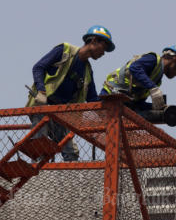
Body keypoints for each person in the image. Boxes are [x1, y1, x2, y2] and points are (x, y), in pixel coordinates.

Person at [26, 25, 114, 161]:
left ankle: (66, 178)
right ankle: (37, 175)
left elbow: (92, 99)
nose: (104, 53)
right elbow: (38, 67)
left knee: (71, 152)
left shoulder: (87, 72)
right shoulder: (64, 50)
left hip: (61, 115)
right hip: (42, 106)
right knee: (40, 145)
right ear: (94, 40)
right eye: (104, 47)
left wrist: (110, 113)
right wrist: (41, 91)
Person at [100, 45, 176, 117]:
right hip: (110, 96)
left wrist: (157, 108)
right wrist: (152, 87)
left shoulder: (156, 80)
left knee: (140, 115)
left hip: (120, 103)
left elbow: (138, 103)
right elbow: (134, 68)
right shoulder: (153, 59)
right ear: (175, 59)